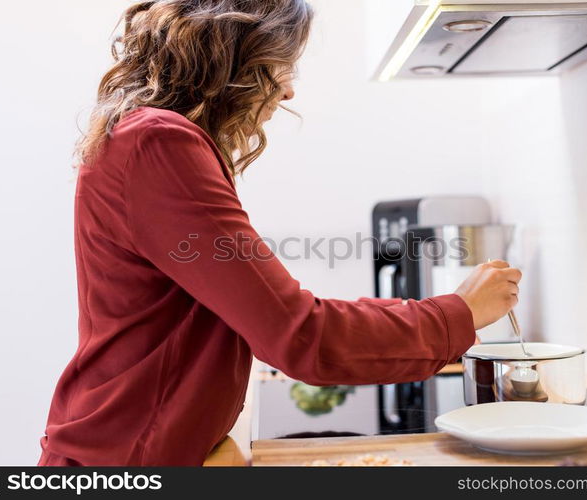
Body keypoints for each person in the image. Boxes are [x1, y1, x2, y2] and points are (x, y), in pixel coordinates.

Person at [37, 0, 522, 466]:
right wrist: (458, 313)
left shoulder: (145, 137)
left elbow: (280, 315)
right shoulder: (158, 143)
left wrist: (442, 313)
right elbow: (300, 336)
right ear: (236, 51)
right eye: (282, 62)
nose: (288, 90)